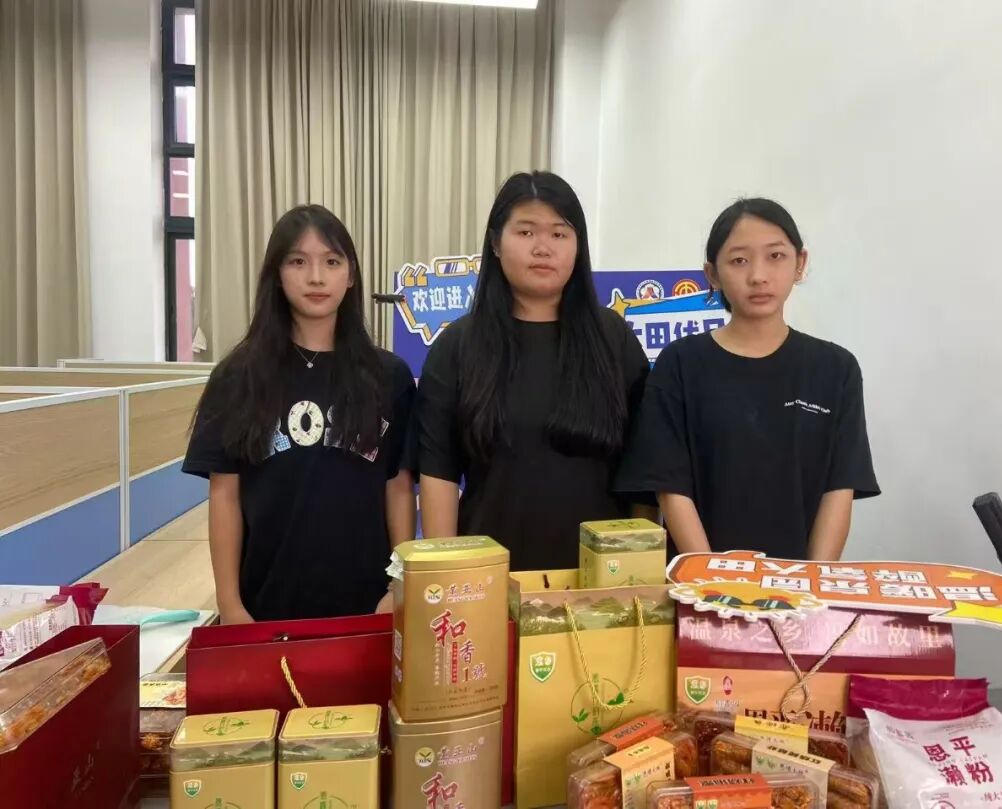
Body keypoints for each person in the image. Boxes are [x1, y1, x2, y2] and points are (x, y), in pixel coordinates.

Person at [183, 205, 415, 623]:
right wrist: (230, 604)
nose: (316, 277)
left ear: (351, 275)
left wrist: (398, 586)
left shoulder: (389, 377)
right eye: (298, 261)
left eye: (332, 261)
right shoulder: (237, 377)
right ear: (277, 273)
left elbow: (398, 487)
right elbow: (224, 495)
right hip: (266, 606)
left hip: (368, 607)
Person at [615, 198, 878, 561]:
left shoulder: (835, 368)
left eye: (775, 256)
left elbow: (839, 489)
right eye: (739, 260)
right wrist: (710, 578)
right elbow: (670, 488)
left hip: (799, 583)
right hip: (701, 582)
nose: (758, 275)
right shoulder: (681, 364)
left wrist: (814, 580)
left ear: (800, 263)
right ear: (712, 274)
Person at [413, 171, 650, 571]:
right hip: (488, 580)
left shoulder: (614, 340)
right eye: (525, 233)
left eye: (559, 234)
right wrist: (448, 577)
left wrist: (637, 572)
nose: (543, 248)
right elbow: (439, 474)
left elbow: (642, 469)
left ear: (578, 246)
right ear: (495, 243)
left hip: (601, 585)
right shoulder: (458, 346)